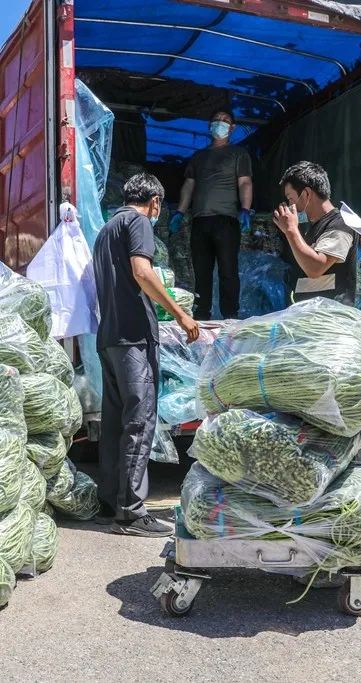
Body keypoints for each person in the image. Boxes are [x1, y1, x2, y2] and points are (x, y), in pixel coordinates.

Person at [93, 173, 200, 537]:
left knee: (115, 423)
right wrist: (181, 314)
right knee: (140, 421)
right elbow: (142, 272)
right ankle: (131, 513)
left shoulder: (106, 229)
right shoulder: (138, 222)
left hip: (109, 337)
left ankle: (111, 502)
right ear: (155, 202)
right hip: (134, 336)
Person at [169, 109, 253, 320]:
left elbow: (245, 182)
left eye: (225, 121)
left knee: (228, 271)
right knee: (201, 272)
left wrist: (245, 209)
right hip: (200, 221)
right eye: (216, 120)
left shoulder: (238, 154)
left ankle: (230, 316)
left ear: (232, 128)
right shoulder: (199, 156)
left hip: (226, 220)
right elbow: (189, 186)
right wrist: (180, 212)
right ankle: (201, 316)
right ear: (209, 126)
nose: (220, 123)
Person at [271, 161, 358, 305]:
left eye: (291, 199)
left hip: (331, 314)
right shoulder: (311, 227)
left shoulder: (341, 224)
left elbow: (315, 268)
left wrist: (291, 230)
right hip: (309, 313)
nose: (290, 205)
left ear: (306, 193)